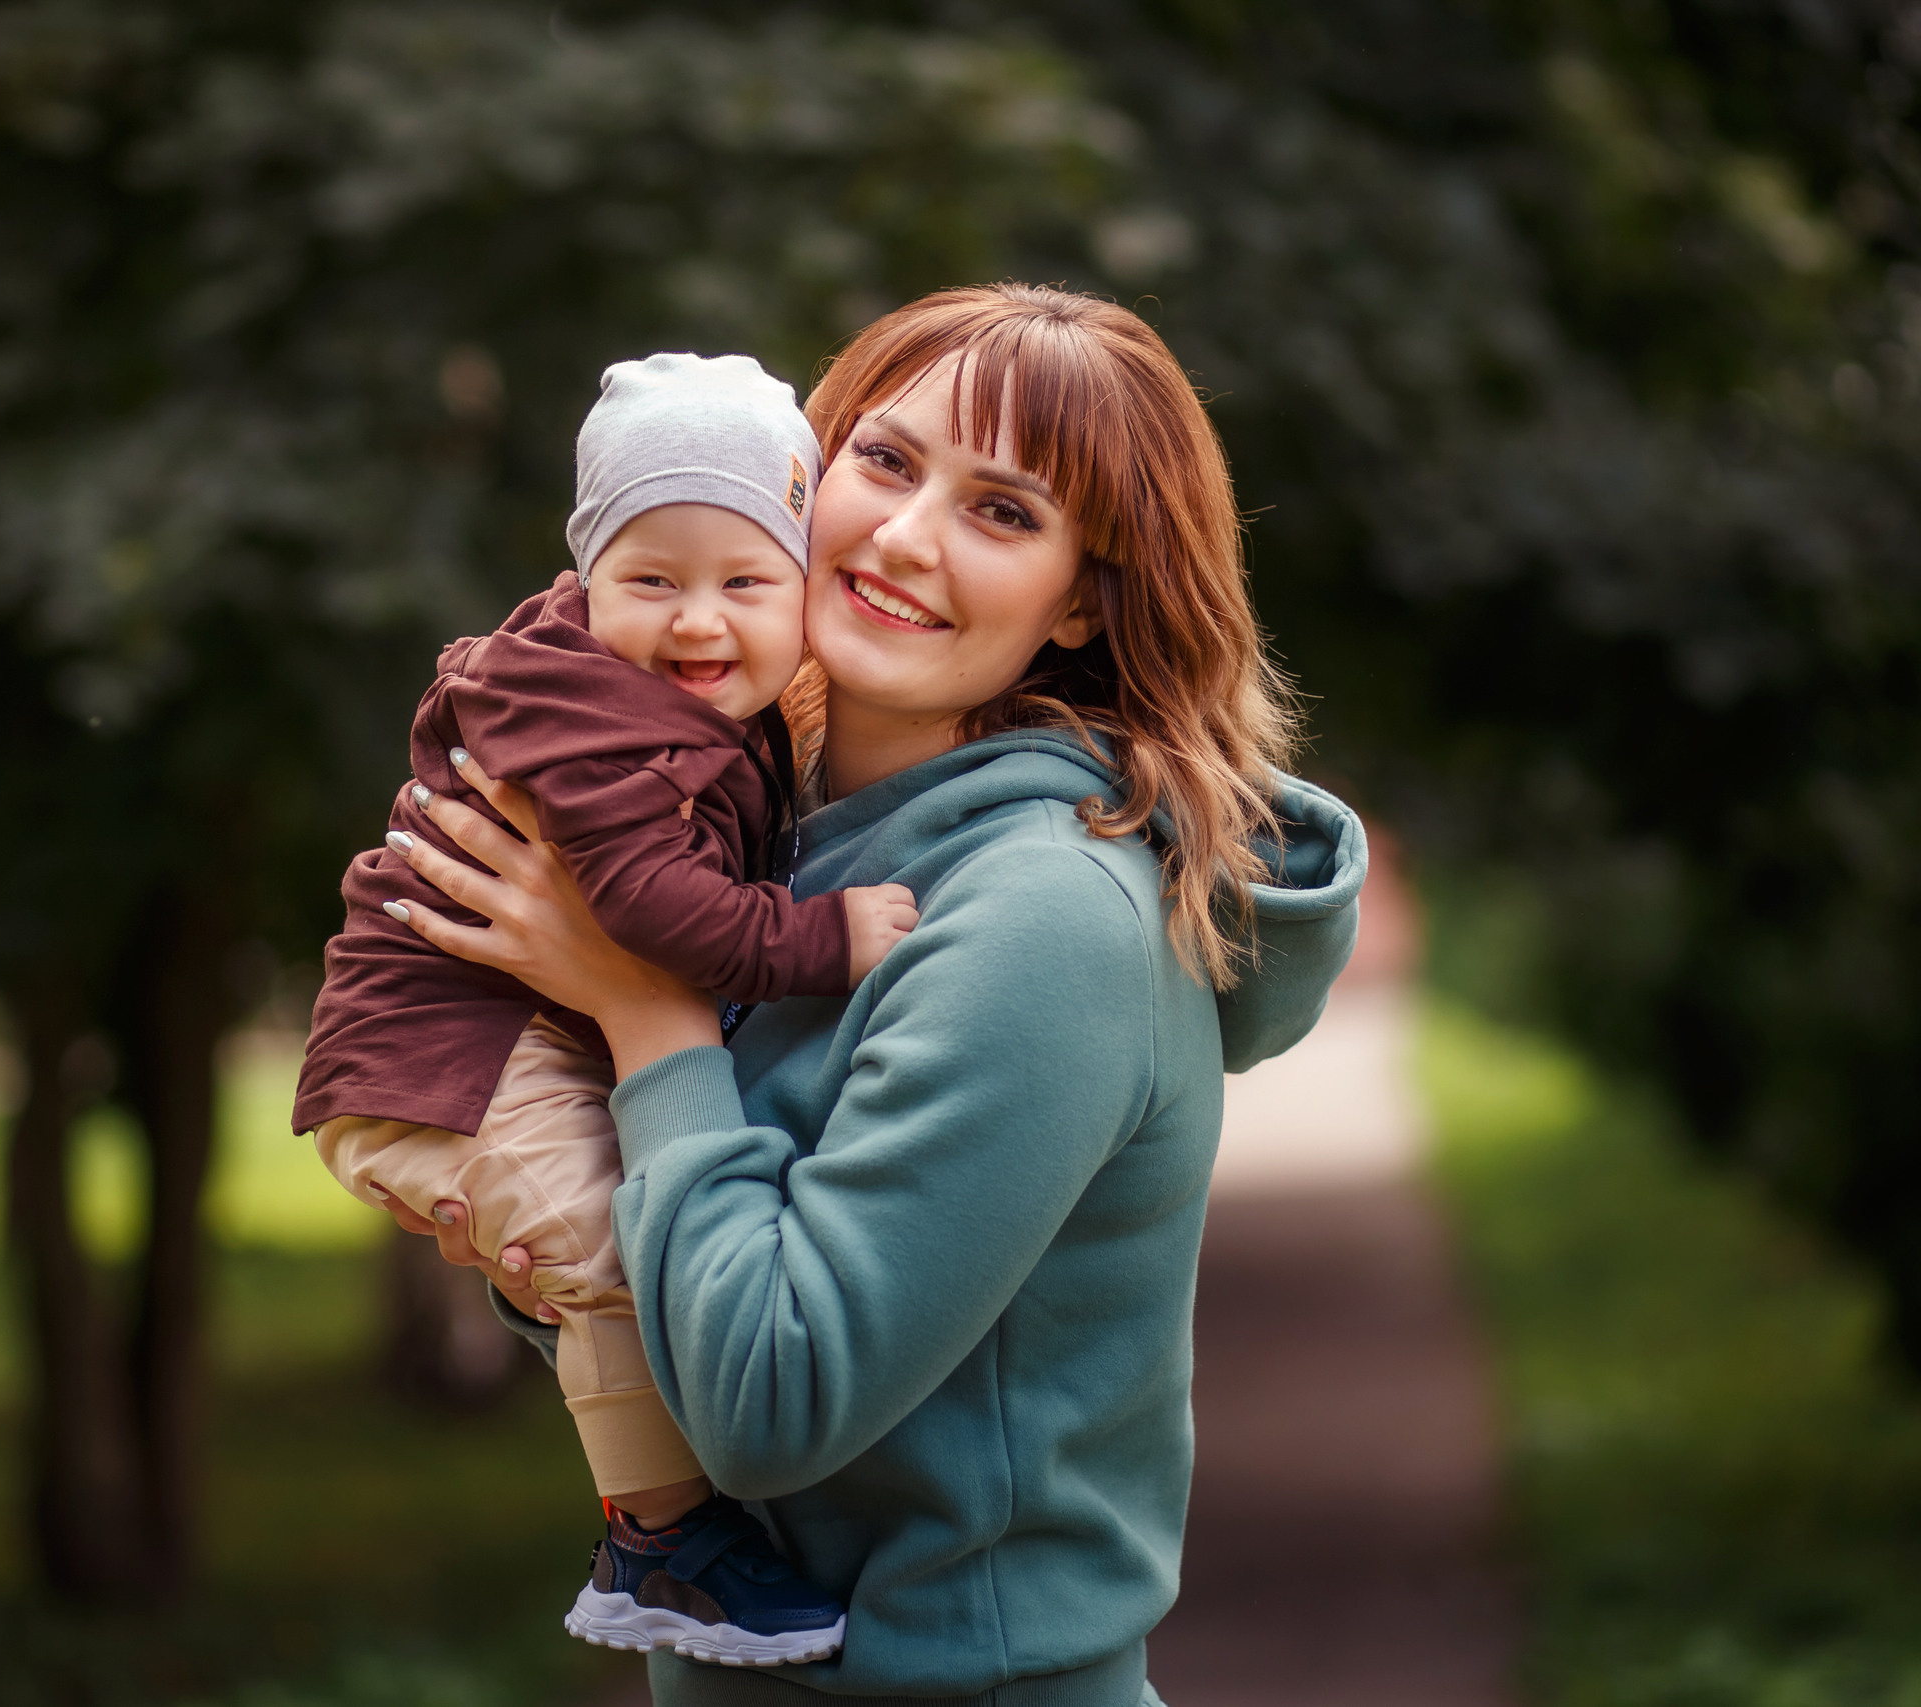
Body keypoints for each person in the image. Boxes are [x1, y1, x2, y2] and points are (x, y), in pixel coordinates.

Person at [375, 284, 1368, 1705]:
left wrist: (646, 1007)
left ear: (1084, 597)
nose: (904, 537)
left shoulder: (1045, 920)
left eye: (1005, 512)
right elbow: (642, 1290)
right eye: (887, 462)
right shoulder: (764, 835)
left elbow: (768, 1404)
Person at [297, 353, 924, 1665]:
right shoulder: (596, 720)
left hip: (486, 1052)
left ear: (805, 582)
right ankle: (663, 1548)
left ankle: (667, 1535)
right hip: (444, 1068)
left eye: (747, 581)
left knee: (623, 1253)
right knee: (625, 1253)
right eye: (653, 580)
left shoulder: (683, 707)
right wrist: (824, 938)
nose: (699, 621)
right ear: (589, 584)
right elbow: (649, 912)